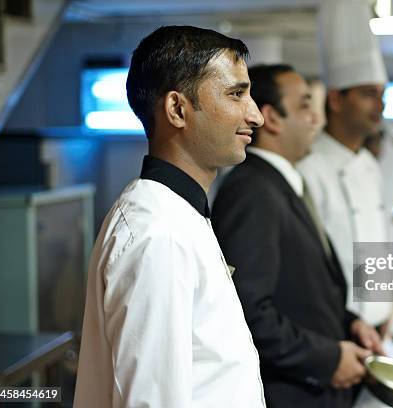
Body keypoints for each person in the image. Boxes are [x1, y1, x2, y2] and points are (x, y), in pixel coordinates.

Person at [74, 26, 266, 407]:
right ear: (177, 109)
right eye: (235, 94)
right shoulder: (156, 233)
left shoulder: (179, 214)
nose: (256, 115)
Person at [211, 64, 383, 408]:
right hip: (289, 393)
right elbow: (247, 311)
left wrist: (349, 323)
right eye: (305, 105)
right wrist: (328, 358)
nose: (316, 120)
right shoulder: (253, 190)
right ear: (272, 118)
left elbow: (297, 292)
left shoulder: (281, 183)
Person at [297, 0, 393, 330]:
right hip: (332, 332)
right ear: (336, 99)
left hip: (377, 331)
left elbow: (380, 245)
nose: (379, 105)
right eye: (368, 94)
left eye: (382, 94)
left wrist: (388, 310)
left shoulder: (370, 166)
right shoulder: (306, 168)